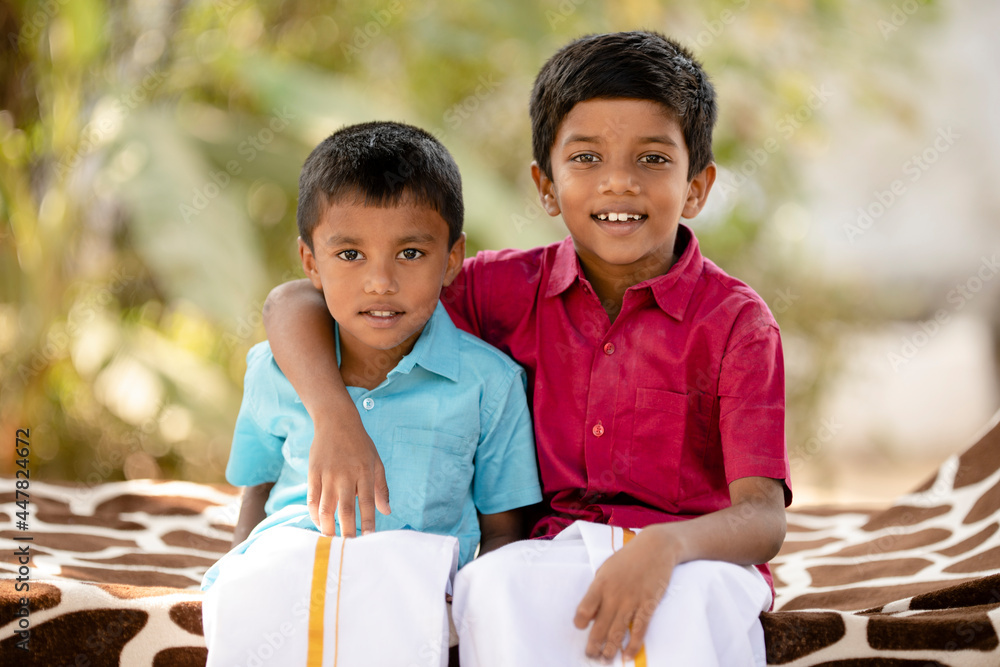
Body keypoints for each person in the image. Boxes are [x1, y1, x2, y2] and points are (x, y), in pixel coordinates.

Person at [263, 31, 792, 667]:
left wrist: (666, 547)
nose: (618, 184)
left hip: (695, 561)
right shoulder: (498, 289)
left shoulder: (737, 324)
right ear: (546, 186)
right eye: (587, 158)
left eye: (652, 159)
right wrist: (334, 416)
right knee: (492, 586)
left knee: (682, 615)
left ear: (697, 187)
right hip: (546, 554)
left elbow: (763, 518)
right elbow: (296, 303)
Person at [201, 121, 542, 667]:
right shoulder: (275, 370)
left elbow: (505, 530)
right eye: (350, 255)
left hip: (416, 601)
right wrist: (233, 577)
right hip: (288, 585)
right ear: (311, 261)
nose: (380, 282)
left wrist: (465, 614)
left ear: (451, 259)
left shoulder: (489, 385)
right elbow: (256, 494)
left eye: (410, 254)